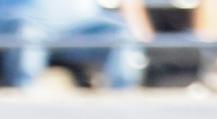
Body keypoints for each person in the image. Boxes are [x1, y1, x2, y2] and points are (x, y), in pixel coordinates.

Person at [0, 0, 149, 89]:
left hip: (80, 27)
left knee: (123, 35)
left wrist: (138, 25)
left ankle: (122, 100)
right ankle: (24, 98)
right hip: (23, 24)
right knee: (28, 34)